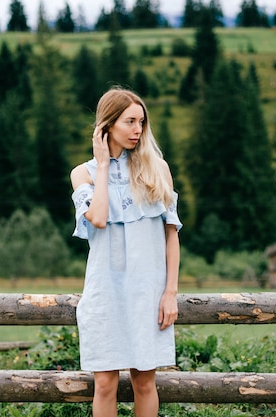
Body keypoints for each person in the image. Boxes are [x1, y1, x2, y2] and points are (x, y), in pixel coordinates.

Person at [70, 87, 182, 417]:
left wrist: (170, 293)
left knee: (144, 383)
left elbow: (171, 234)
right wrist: (103, 167)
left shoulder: (157, 168)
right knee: (104, 384)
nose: (137, 130)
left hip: (148, 293)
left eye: (141, 122)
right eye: (130, 121)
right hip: (105, 293)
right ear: (108, 124)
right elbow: (99, 218)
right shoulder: (83, 174)